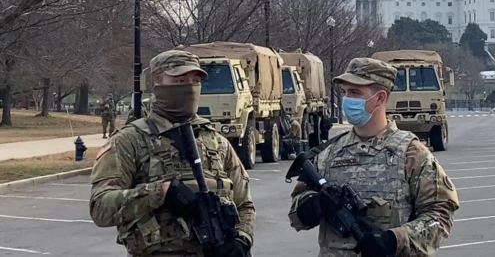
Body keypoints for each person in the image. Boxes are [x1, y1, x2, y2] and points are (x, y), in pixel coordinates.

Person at [89, 49, 255, 257]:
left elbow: (244, 203)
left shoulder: (216, 141)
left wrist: (242, 238)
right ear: (158, 84)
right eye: (180, 81)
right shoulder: (129, 141)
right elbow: (100, 207)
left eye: (195, 81)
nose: (190, 88)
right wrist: (160, 193)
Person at [287, 57, 460, 257]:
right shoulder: (328, 154)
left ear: (380, 98)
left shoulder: (411, 154)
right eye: (346, 92)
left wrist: (395, 239)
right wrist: (313, 205)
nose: (347, 100)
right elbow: (295, 214)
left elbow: (440, 215)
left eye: (356, 93)